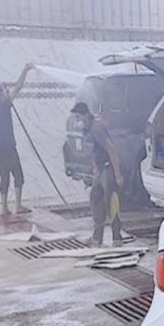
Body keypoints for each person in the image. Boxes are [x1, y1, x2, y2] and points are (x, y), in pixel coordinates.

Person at [72, 102, 124, 247]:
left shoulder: (96, 128)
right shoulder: (88, 129)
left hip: (108, 169)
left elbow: (111, 149)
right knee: (95, 199)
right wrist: (94, 169)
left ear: (85, 115)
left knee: (111, 202)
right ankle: (97, 238)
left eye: (78, 117)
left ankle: (117, 237)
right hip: (100, 169)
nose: (77, 121)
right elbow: (93, 151)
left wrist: (118, 174)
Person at [0, 63, 35, 216]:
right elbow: (19, 87)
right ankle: (18, 205)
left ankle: (4, 208)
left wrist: (6, 95)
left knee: (4, 176)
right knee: (18, 175)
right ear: (0, 94)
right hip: (8, 147)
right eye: (3, 91)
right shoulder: (4, 105)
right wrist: (25, 70)